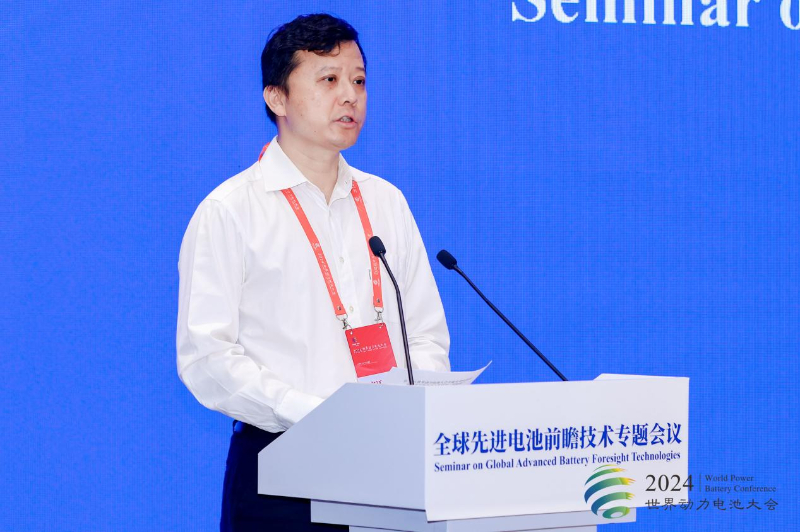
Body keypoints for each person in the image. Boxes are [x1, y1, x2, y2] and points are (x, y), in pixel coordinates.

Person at [176, 13, 450, 532]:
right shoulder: (230, 210)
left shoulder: (386, 202)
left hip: (389, 463)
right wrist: (311, 413)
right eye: (329, 79)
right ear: (276, 98)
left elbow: (425, 334)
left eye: (359, 80)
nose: (350, 96)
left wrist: (411, 404)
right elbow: (207, 358)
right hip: (280, 468)